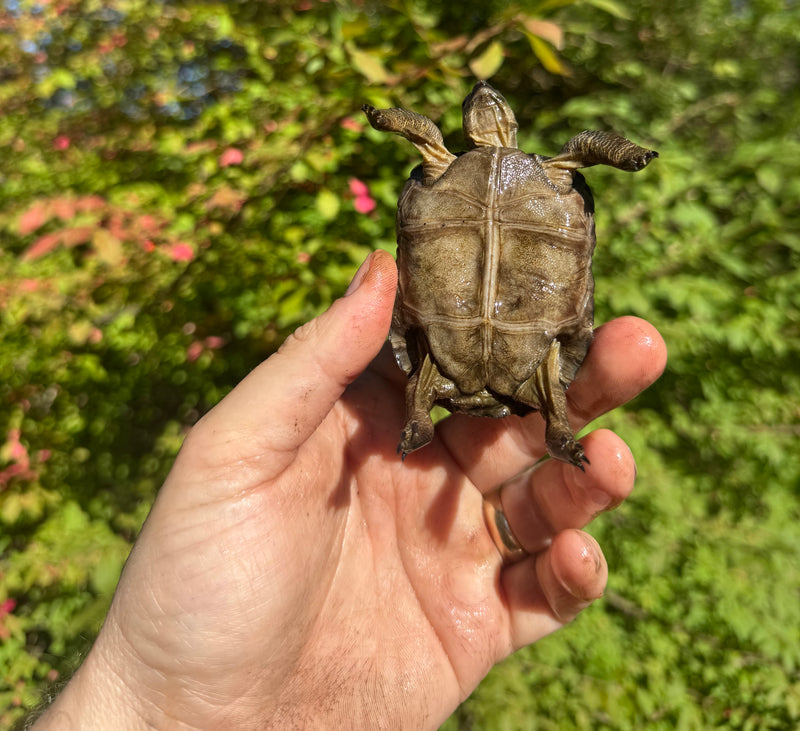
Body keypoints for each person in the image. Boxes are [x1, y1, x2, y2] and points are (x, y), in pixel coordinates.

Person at [30, 250, 666, 731]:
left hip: (482, 364)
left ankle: (486, 418)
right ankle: (446, 416)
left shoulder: (475, 170)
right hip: (465, 363)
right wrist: (153, 706)